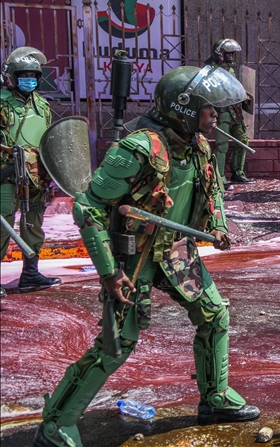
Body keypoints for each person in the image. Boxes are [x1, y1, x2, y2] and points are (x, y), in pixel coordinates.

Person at [33, 65, 260, 447]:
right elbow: (87, 209)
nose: (215, 116)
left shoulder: (198, 144)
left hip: (175, 253)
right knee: (116, 344)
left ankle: (216, 398)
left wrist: (218, 223)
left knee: (214, 314)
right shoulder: (137, 149)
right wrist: (109, 272)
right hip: (133, 259)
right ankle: (58, 423)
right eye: (209, 109)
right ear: (185, 110)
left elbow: (213, 188)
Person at [0, 46, 61, 292]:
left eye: (34, 76)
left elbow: (47, 139)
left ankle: (31, 274)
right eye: (24, 75)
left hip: (35, 176)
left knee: (32, 224)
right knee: (3, 223)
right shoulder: (2, 103)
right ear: (12, 77)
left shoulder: (42, 105)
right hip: (6, 175)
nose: (30, 80)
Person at [206, 39, 254, 186]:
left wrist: (243, 95)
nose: (231, 56)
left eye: (232, 53)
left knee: (243, 141)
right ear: (220, 54)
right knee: (222, 146)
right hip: (221, 113)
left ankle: (238, 173)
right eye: (228, 53)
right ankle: (220, 178)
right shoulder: (211, 70)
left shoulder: (230, 69)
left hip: (235, 111)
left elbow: (233, 86)